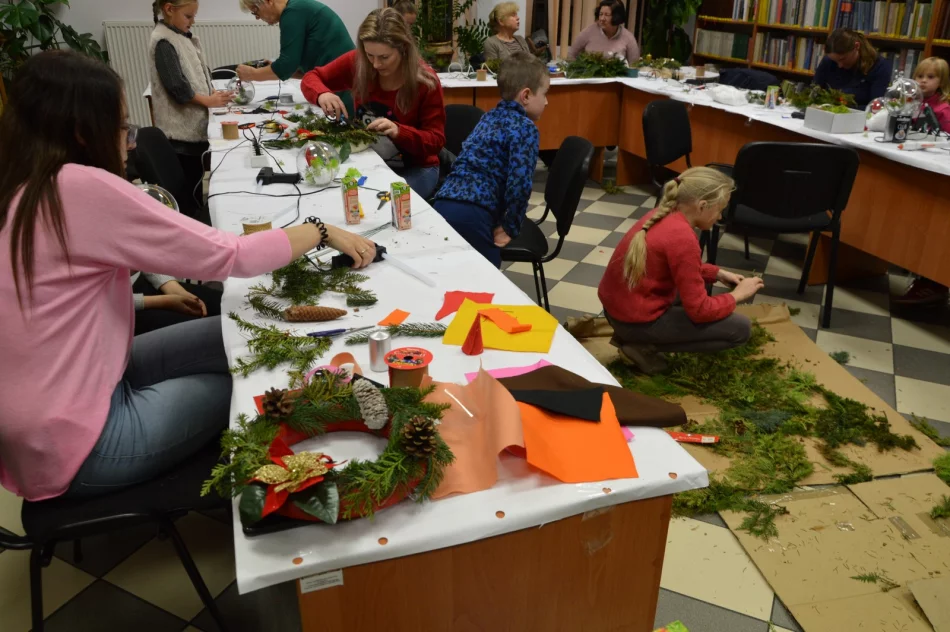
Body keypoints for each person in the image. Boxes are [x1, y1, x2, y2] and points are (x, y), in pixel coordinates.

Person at [0, 50, 377, 501]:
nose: (130, 142)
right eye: (121, 127)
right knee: (250, 386)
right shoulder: (77, 188)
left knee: (246, 336)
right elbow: (231, 256)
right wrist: (319, 230)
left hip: (70, 399)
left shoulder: (20, 187)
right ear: (83, 132)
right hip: (78, 443)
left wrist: (156, 297)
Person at [597, 168, 764, 374]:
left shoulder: (662, 214)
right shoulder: (682, 237)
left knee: (696, 289)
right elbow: (700, 311)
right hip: (635, 323)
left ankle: (636, 337)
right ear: (702, 206)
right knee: (740, 329)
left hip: (618, 312)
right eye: (720, 209)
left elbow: (678, 265)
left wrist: (717, 273)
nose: (720, 216)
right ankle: (642, 346)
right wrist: (738, 295)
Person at [302, 8, 446, 199]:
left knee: (382, 203)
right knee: (338, 198)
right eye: (370, 55)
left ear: (403, 48)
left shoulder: (425, 81)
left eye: (384, 57)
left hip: (417, 168)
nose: (376, 64)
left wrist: (399, 131)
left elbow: (435, 141)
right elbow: (311, 78)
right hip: (370, 161)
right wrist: (322, 94)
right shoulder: (359, 62)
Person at [433, 52, 548, 268]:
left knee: (450, 272)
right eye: (544, 94)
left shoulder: (488, 117)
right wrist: (510, 226)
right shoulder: (525, 129)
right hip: (474, 213)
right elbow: (519, 184)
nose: (547, 101)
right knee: (486, 278)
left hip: (443, 203)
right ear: (526, 95)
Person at [148, 0, 232, 223]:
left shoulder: (181, 36)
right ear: (169, 9)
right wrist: (208, 100)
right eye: (188, 16)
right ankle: (192, 222)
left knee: (195, 183)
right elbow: (177, 86)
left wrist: (211, 91)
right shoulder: (163, 41)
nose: (193, 21)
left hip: (192, 131)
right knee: (188, 190)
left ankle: (196, 215)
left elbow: (196, 73)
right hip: (181, 136)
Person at [892, 57, 950, 305]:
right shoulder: (911, 102)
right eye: (920, 76)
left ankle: (931, 282)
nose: (924, 81)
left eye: (931, 77)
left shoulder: (943, 109)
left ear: (942, 82)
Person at [236, 0, 355, 113]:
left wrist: (253, 74)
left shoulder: (293, 12)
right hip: (345, 80)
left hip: (345, 85)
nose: (257, 17)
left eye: (255, 10)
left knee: (348, 121)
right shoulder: (297, 7)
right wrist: (271, 69)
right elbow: (299, 69)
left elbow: (286, 66)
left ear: (268, 1)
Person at [813, 29, 891, 108]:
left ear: (857, 46)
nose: (840, 65)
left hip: (860, 114)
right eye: (835, 61)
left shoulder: (879, 66)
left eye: (843, 59)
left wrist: (840, 109)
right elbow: (814, 94)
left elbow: (876, 107)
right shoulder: (828, 61)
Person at [568, 0, 639, 66]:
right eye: (600, 14)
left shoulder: (628, 37)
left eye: (607, 15)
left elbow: (634, 66)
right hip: (589, 74)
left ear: (617, 17)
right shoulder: (588, 32)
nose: (602, 18)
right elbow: (571, 55)